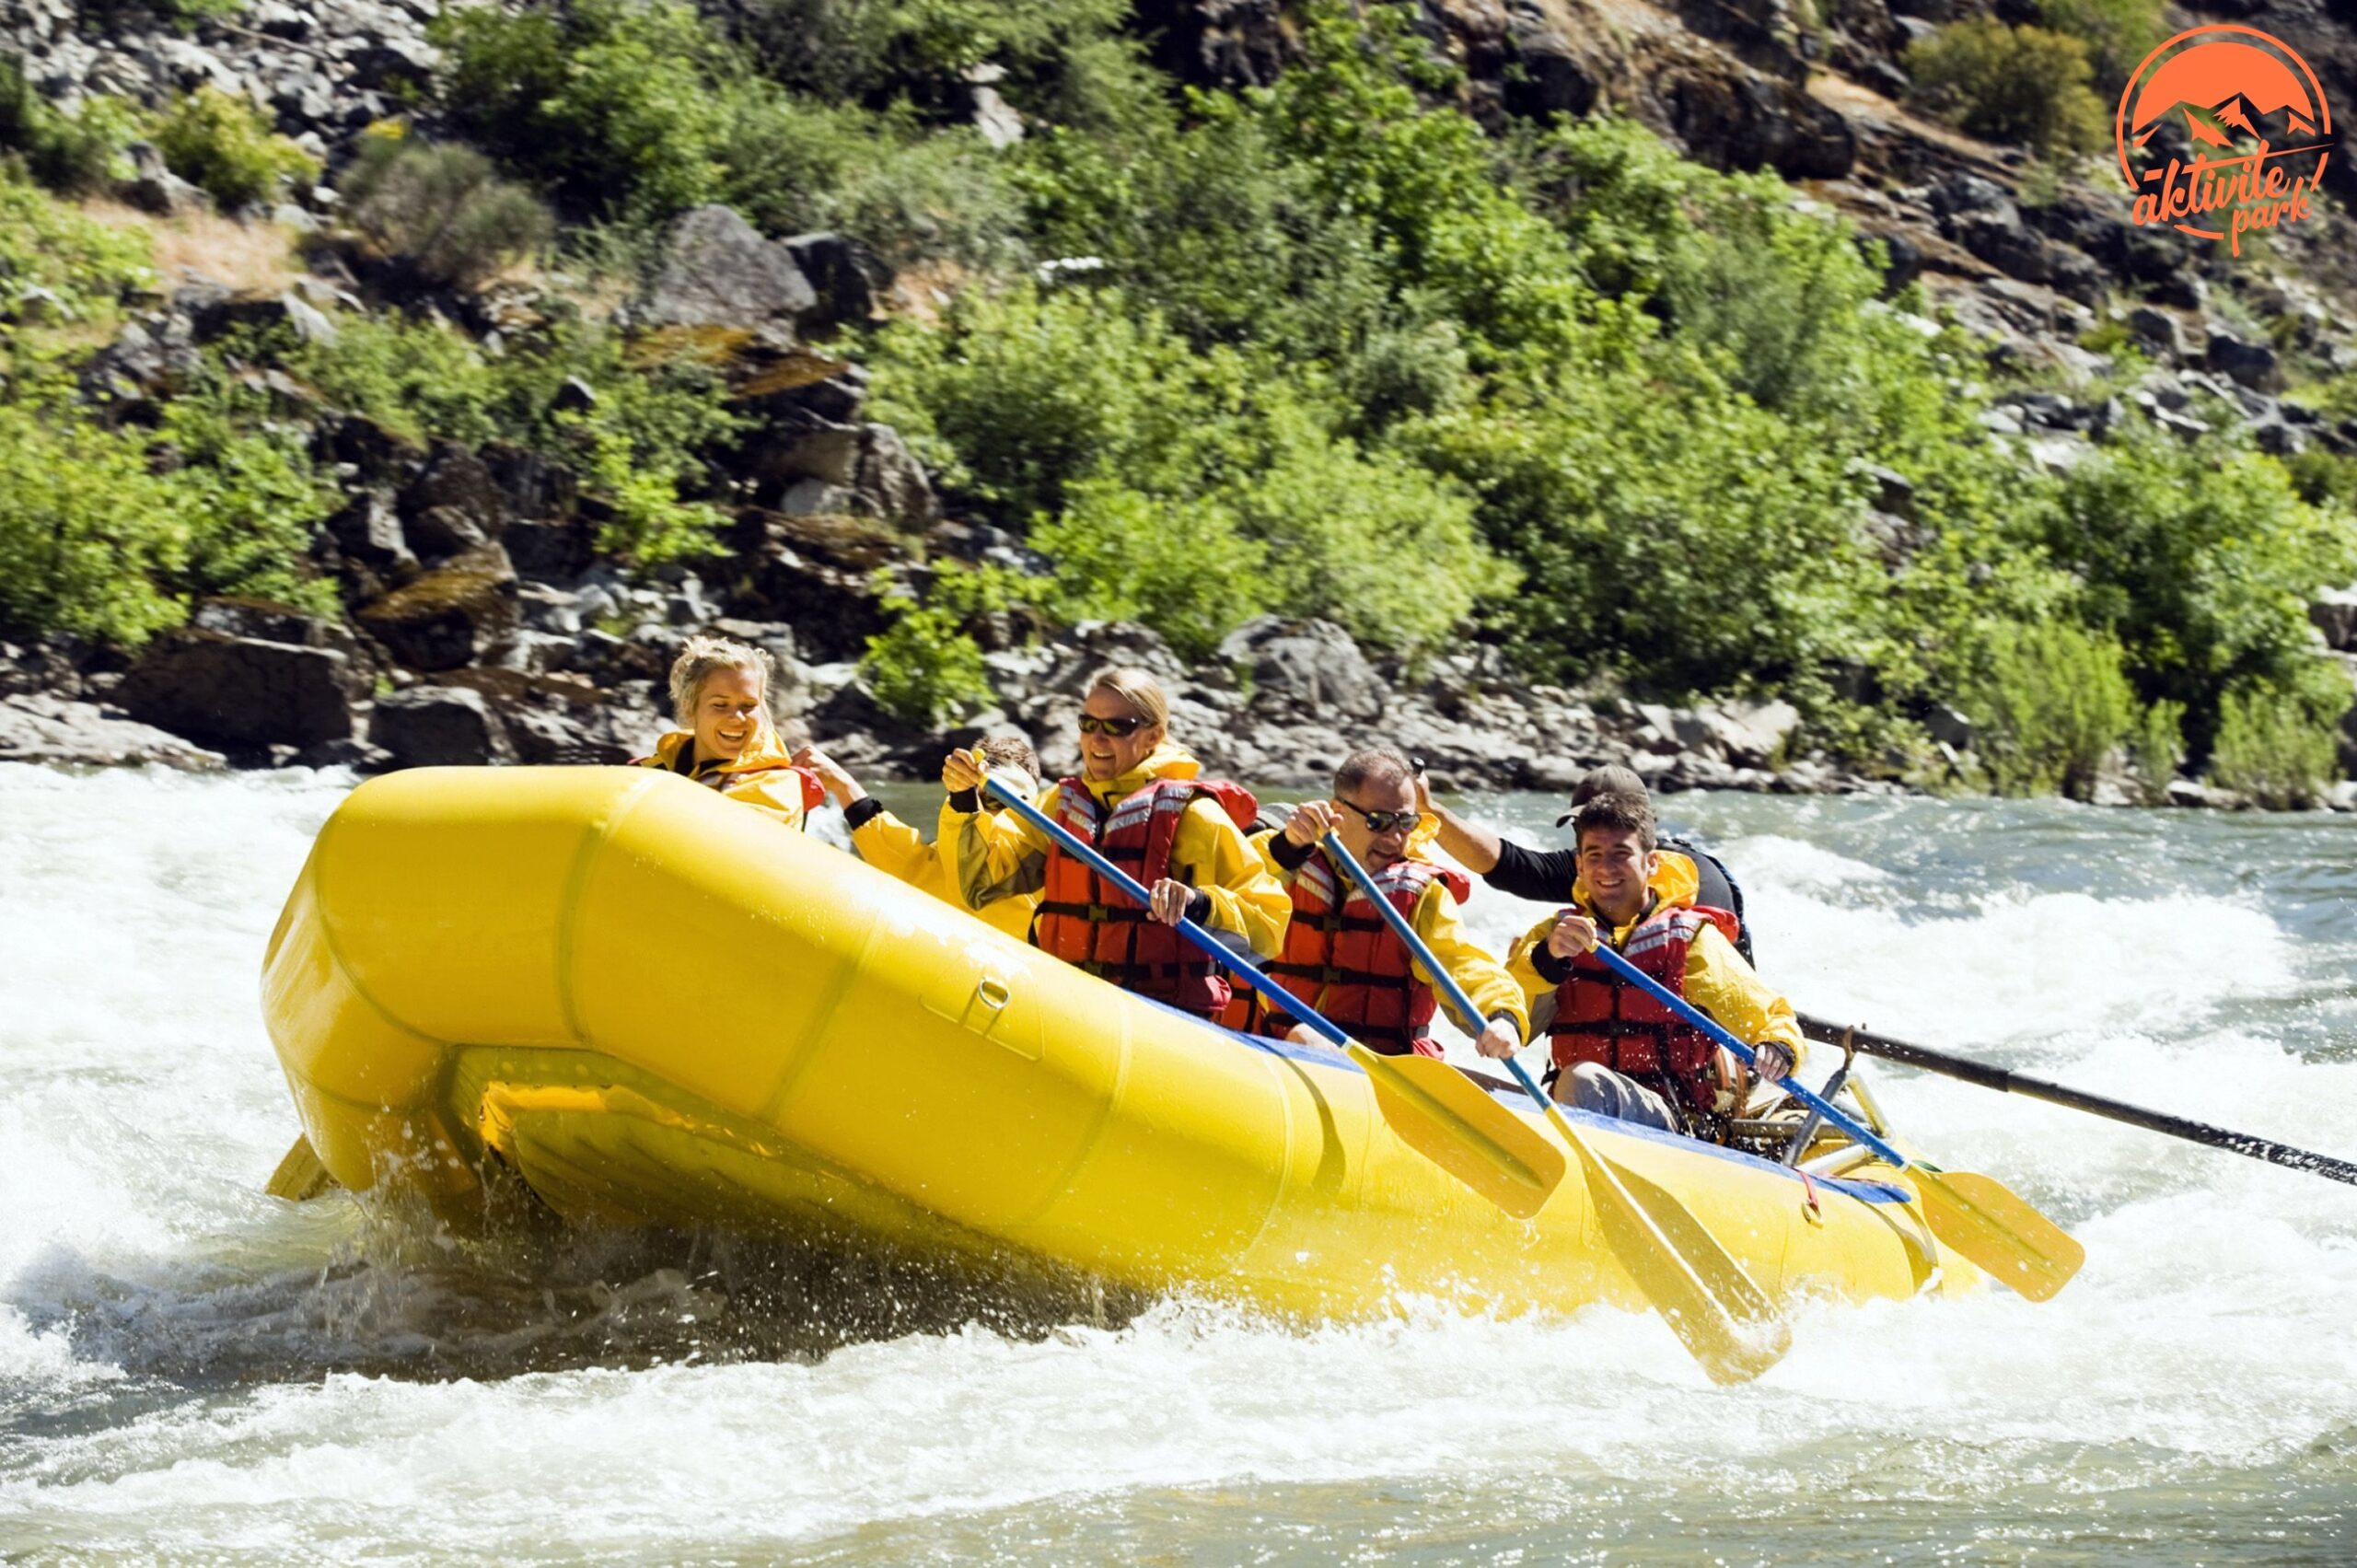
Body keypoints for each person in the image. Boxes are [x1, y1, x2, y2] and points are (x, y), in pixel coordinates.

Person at [940, 667, 1287, 1019]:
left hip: (1161, 1015)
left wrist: (1199, 903)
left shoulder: (1193, 815)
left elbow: (1269, 921)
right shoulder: (1058, 804)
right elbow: (982, 882)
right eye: (1088, 724)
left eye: (1116, 727)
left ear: (1154, 736)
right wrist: (964, 800)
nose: (1097, 739)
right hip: (1069, 999)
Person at [1498, 790, 1803, 1142]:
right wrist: (1546, 961)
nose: (1606, 868)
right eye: (1594, 856)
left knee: (1583, 1080)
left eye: (1621, 855)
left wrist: (1779, 1045)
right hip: (1577, 1108)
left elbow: (1770, 1015)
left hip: (1672, 1120)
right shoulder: (1554, 934)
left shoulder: (1688, 939)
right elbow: (1499, 1012)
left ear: (1651, 863)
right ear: (1579, 866)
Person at [1244, 746, 1526, 1060]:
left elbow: (1464, 963)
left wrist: (1503, 1016)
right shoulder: (1285, 859)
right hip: (1281, 1052)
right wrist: (1288, 847)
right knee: (1305, 1036)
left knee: (1307, 1039)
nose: (1394, 838)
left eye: (1405, 822)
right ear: (1339, 811)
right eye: (1379, 822)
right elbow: (1240, 892)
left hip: (1385, 1062)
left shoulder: (1420, 893)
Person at [1418, 762, 1755, 961]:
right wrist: (1430, 812)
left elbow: (1713, 977)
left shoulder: (1693, 879)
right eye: (1584, 826)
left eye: (1612, 826)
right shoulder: (1595, 866)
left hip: (1711, 1047)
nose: (1602, 858)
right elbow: (1510, 868)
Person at [795, 734, 1042, 941]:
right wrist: (842, 782)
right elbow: (889, 843)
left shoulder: (1036, 869)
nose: (986, 811)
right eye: (976, 795)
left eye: (996, 798)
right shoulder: (933, 864)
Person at [635, 633, 823, 830]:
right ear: (690, 709)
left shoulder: (775, 787)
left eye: (749, 705)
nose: (738, 717)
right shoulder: (657, 767)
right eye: (720, 705)